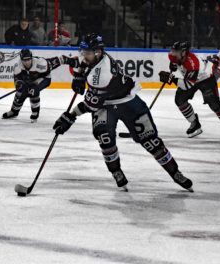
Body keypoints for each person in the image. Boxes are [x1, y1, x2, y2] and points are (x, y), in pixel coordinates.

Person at [53, 33, 193, 192]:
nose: (84, 56)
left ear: (98, 52)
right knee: (105, 140)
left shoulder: (101, 75)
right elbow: (79, 62)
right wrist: (77, 76)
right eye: (83, 52)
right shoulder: (94, 57)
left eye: (87, 53)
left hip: (127, 102)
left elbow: (90, 105)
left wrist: (70, 117)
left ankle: (175, 173)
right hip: (105, 103)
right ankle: (116, 171)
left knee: (151, 141)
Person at [158, 41, 220, 140]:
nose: (173, 53)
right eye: (173, 50)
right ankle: (195, 123)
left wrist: (172, 79)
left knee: (214, 104)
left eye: (176, 51)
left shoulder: (193, 63)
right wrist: (173, 65)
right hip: (190, 78)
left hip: (206, 79)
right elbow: (175, 62)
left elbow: (187, 85)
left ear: (183, 52)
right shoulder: (173, 56)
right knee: (179, 99)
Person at [2, 49, 62, 122]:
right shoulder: (17, 67)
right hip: (30, 81)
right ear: (21, 60)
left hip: (44, 78)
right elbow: (17, 82)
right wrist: (20, 85)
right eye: (24, 60)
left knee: (33, 90)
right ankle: (14, 112)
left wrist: (69, 60)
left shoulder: (40, 63)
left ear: (31, 57)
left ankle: (35, 113)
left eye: (28, 59)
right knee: (20, 93)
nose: (27, 62)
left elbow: (58, 61)